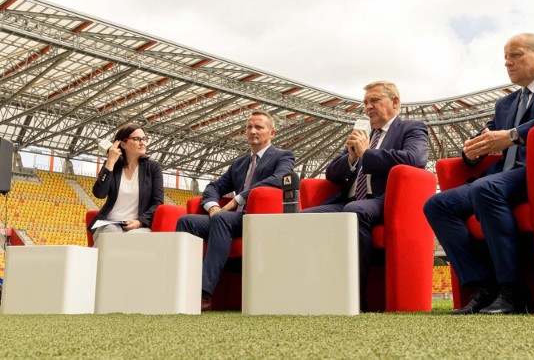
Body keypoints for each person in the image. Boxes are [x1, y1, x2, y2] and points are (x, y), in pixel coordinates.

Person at [424, 33, 534, 315]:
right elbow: (487, 135)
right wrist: (471, 150)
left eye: (515, 56)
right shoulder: (506, 103)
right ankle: (484, 286)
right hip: (504, 176)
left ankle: (512, 289)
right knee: (437, 205)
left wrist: (513, 135)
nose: (507, 63)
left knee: (485, 188)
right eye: (505, 58)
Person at [302, 81, 429, 311]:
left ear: (395, 102)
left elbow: (415, 159)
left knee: (355, 212)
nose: (368, 107)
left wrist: (366, 154)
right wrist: (351, 157)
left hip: (383, 200)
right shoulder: (362, 134)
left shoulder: (411, 128)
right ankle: (311, 293)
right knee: (303, 217)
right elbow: (331, 172)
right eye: (365, 103)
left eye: (375, 100)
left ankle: (355, 300)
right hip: (348, 200)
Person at [176, 110, 295, 311]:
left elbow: (280, 179)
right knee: (186, 221)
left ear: (272, 133)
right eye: (249, 127)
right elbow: (214, 186)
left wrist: (239, 198)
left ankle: (203, 295)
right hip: (231, 219)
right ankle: (179, 285)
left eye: (258, 127)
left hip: (257, 218)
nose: (252, 131)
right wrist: (213, 206)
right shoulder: (240, 163)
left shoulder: (283, 156)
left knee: (222, 220)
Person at [89, 123, 164, 246]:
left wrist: (140, 222)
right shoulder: (112, 165)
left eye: (144, 139)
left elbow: (158, 202)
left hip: (137, 226)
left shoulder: (153, 167)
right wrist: (110, 161)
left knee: (134, 238)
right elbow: (99, 193)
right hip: (109, 223)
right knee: (111, 231)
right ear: (122, 144)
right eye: (137, 139)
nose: (142, 143)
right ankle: (97, 264)